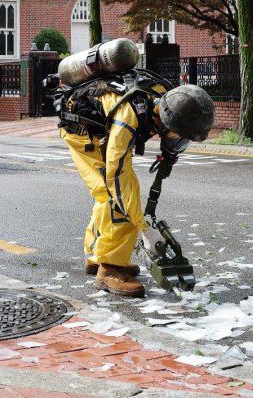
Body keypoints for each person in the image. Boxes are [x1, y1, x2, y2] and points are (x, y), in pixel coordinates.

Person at [57, 70, 214, 297]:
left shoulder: (165, 98)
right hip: (83, 134)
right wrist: (143, 228)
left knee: (111, 194)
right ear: (167, 121)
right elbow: (117, 175)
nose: (177, 143)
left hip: (102, 125)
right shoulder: (128, 118)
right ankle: (109, 268)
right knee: (116, 196)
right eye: (178, 137)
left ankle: (97, 256)